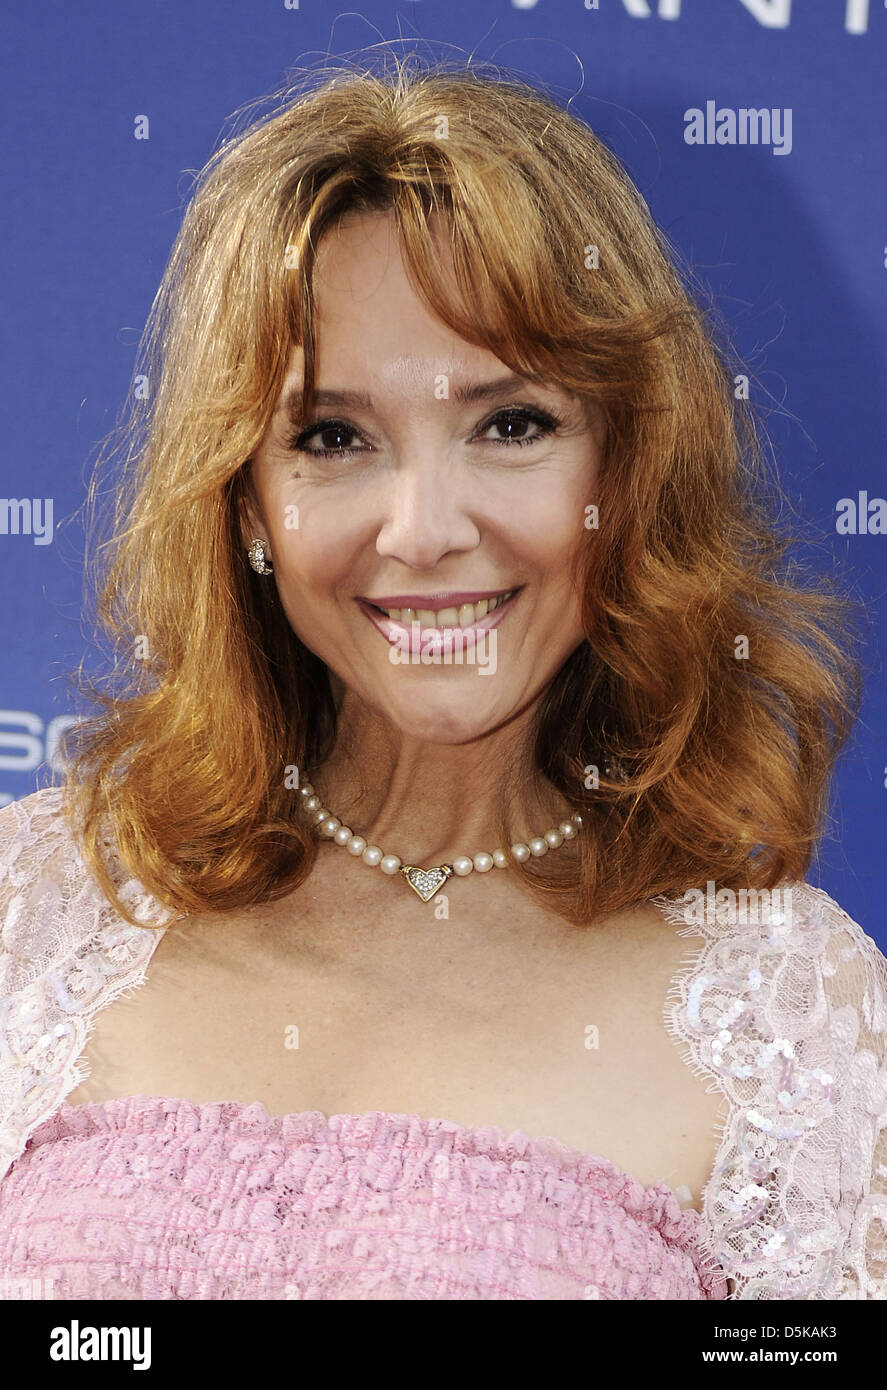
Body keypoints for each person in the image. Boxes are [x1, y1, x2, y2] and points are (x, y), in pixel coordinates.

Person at [0, 54, 885, 1301]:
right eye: (331, 437)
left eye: (508, 424)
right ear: (246, 503)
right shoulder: (30, 912)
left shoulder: (797, 1019)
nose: (421, 529)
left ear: (619, 476)